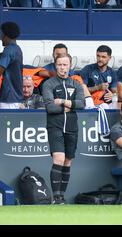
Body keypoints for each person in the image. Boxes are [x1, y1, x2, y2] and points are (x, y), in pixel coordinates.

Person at [42, 53, 85, 204]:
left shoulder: (76, 84)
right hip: (55, 126)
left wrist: (62, 101)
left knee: (67, 162)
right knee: (58, 159)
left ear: (70, 65)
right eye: (59, 64)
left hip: (72, 127)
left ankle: (62, 196)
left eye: (65, 64)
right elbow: (50, 107)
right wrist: (67, 107)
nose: (62, 68)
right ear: (55, 65)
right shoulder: (48, 84)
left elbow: (82, 104)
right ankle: (56, 197)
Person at [0, 21, 23, 109]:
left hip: (8, 99)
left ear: (6, 35)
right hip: (15, 98)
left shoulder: (8, 50)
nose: (1, 38)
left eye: (2, 35)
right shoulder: (17, 49)